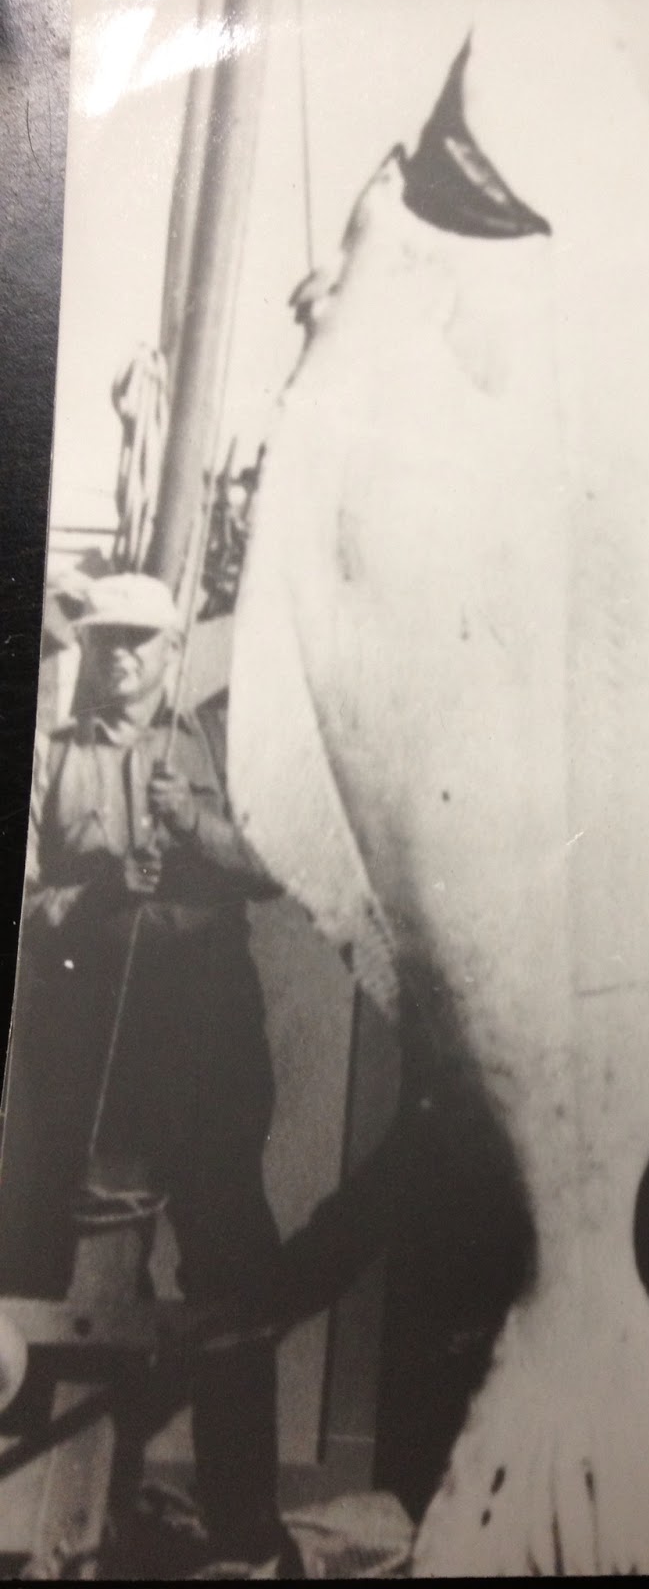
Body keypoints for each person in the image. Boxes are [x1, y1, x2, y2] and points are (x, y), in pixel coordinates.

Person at [0, 572, 287, 1571]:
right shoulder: (52, 757)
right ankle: (48, 1511)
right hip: (93, 1055)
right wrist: (92, 892)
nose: (119, 656)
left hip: (208, 1050)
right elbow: (26, 904)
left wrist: (198, 829)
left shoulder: (216, 746)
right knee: (73, 1270)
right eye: (106, 640)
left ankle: (245, 1521)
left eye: (139, 642)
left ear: (171, 654)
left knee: (231, 1267)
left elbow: (282, 863)